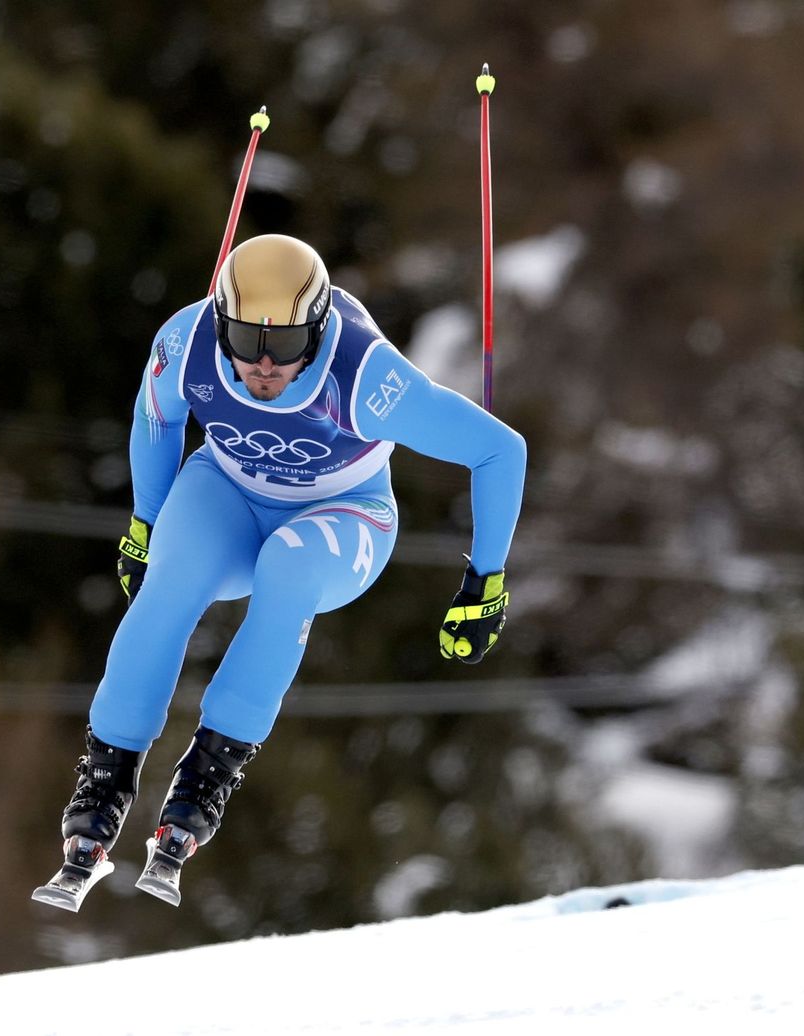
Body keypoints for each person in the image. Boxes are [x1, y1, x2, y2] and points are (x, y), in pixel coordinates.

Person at [33, 234, 526, 912]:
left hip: (345, 513)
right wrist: (145, 526)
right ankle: (103, 786)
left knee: (287, 569)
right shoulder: (189, 340)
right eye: (244, 339)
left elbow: (500, 450)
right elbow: (157, 416)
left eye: (287, 347)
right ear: (221, 318)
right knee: (167, 583)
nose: (264, 365)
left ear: (318, 328)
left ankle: (204, 782)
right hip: (229, 494)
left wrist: (486, 584)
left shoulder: (365, 376)